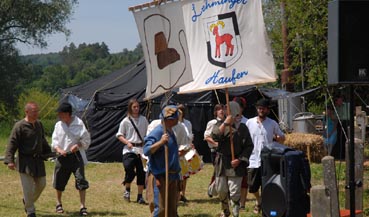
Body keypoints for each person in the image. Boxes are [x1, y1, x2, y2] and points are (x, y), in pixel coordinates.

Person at [4, 101, 52, 217]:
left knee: (41, 184)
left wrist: (49, 152)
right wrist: (9, 160)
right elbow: (12, 143)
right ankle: (30, 211)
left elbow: (42, 140)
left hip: (38, 161)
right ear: (27, 112)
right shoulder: (19, 126)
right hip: (25, 162)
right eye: (34, 111)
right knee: (28, 188)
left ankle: (27, 201)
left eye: (37, 111)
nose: (36, 113)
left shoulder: (39, 124)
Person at [212, 101, 254, 217]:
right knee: (221, 190)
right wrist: (225, 124)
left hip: (236, 163)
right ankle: (225, 211)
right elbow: (214, 135)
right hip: (222, 162)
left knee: (235, 191)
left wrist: (240, 160)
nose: (224, 110)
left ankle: (235, 214)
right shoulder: (220, 124)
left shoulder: (243, 128)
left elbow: (249, 146)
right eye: (224, 108)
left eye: (227, 108)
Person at [246, 98, 285, 214]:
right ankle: (259, 200)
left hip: (267, 158)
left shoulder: (272, 123)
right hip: (252, 158)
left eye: (263, 108)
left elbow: (282, 138)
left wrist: (278, 138)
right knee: (252, 186)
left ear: (267, 110)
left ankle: (264, 205)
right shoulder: (249, 122)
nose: (261, 110)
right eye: (259, 108)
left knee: (266, 184)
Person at [51, 102, 91, 216]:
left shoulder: (79, 123)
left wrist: (78, 145)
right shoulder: (58, 125)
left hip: (76, 156)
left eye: (61, 114)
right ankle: (58, 203)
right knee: (59, 180)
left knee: (81, 180)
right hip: (62, 157)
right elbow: (54, 141)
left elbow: (86, 139)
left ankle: (83, 206)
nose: (59, 116)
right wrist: (58, 149)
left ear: (67, 114)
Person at [144, 105, 181, 217]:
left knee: (172, 210)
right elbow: (146, 150)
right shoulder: (158, 132)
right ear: (170, 120)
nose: (178, 119)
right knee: (160, 210)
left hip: (172, 176)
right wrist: (160, 142)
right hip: (160, 176)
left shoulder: (170, 131)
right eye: (176, 118)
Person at [116, 98, 148, 204]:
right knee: (129, 168)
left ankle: (140, 196)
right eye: (134, 107)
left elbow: (148, 133)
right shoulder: (126, 121)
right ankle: (127, 191)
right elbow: (119, 135)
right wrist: (127, 142)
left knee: (141, 173)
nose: (136, 109)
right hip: (129, 149)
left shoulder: (144, 120)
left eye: (137, 107)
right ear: (130, 108)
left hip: (141, 149)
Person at [204, 104, 225, 198]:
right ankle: (212, 188)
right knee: (218, 171)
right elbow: (206, 137)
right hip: (215, 151)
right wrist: (216, 144)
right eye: (219, 109)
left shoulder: (226, 122)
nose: (221, 111)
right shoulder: (212, 122)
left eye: (222, 109)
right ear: (215, 112)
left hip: (225, 151)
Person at [232, 96, 249, 210]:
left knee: (243, 181)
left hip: (242, 155)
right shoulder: (227, 120)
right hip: (230, 155)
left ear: (242, 108)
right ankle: (232, 203)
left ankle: (242, 204)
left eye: (238, 107)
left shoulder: (247, 122)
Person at [177, 104, 193, 203]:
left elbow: (190, 135)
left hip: (186, 149)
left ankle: (183, 193)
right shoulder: (174, 123)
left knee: (185, 174)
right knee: (178, 173)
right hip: (178, 150)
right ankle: (177, 194)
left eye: (181, 111)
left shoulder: (188, 123)